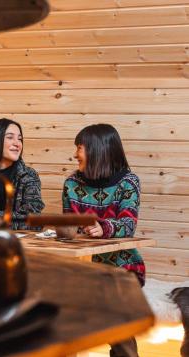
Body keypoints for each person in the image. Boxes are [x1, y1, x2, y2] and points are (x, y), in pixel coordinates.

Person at [62, 123, 144, 357]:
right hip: (81, 267)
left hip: (122, 267)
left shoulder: (128, 182)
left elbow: (128, 225)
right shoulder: (71, 184)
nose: (75, 154)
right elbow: (69, 226)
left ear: (98, 150)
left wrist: (104, 227)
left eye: (80, 147)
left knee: (116, 310)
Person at [0, 118, 44, 230]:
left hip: (17, 243)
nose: (17, 144)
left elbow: (33, 221)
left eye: (20, 139)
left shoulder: (28, 175)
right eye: (10, 137)